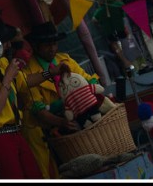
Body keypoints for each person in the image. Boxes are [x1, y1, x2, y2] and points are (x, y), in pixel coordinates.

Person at [0, 16, 63, 179]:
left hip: (15, 131)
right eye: (4, 41)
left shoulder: (0, 63)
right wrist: (7, 78)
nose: (8, 45)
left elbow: (24, 82)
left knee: (35, 175)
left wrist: (51, 72)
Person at [20, 21, 101, 179]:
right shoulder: (28, 71)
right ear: (36, 46)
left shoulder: (65, 59)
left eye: (55, 43)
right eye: (47, 45)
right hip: (43, 131)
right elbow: (38, 111)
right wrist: (62, 122)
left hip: (72, 124)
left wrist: (91, 86)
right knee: (51, 173)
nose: (53, 48)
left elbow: (89, 80)